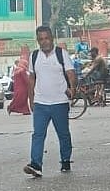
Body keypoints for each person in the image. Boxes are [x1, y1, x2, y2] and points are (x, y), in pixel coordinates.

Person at [24, 25, 78, 177]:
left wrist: (72, 89)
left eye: (47, 38)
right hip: (41, 103)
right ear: (38, 41)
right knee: (38, 134)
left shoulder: (62, 54)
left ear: (52, 38)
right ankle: (36, 164)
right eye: (41, 39)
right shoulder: (34, 56)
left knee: (63, 134)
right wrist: (31, 99)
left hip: (60, 102)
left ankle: (65, 160)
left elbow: (71, 73)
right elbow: (31, 79)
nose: (44, 42)